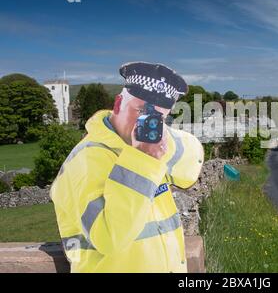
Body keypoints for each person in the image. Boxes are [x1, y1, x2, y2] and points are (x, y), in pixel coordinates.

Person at [50, 62, 204, 272]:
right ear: (118, 103)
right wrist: (142, 161)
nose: (147, 122)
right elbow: (110, 239)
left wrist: (157, 137)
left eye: (160, 117)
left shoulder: (151, 147)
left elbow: (190, 171)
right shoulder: (86, 161)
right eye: (141, 110)